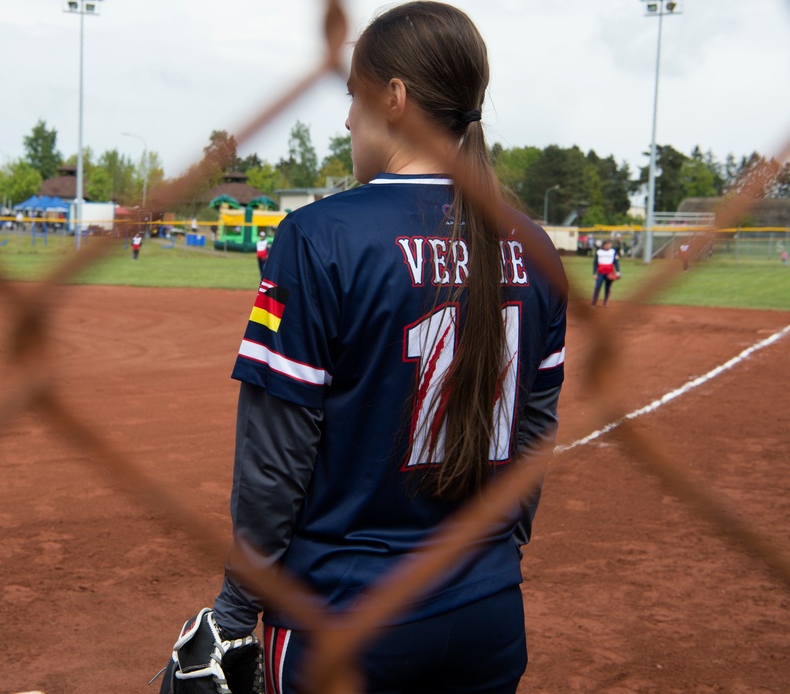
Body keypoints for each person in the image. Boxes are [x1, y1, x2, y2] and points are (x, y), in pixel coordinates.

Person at [156, 4, 568, 694]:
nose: (348, 120)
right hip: (489, 611)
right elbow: (535, 430)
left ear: (395, 100)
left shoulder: (318, 236)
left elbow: (276, 455)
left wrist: (233, 613)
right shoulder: (533, 247)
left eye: (354, 95)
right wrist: (495, 556)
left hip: (344, 615)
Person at [591, 238, 621, 307]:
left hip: (609, 273)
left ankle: (605, 303)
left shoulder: (613, 251)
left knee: (607, 288)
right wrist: (594, 273)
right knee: (597, 287)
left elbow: (616, 262)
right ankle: (593, 302)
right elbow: (595, 263)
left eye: (610, 245)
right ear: (604, 245)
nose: (609, 246)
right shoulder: (599, 252)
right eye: (607, 244)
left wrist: (618, 272)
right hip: (600, 273)